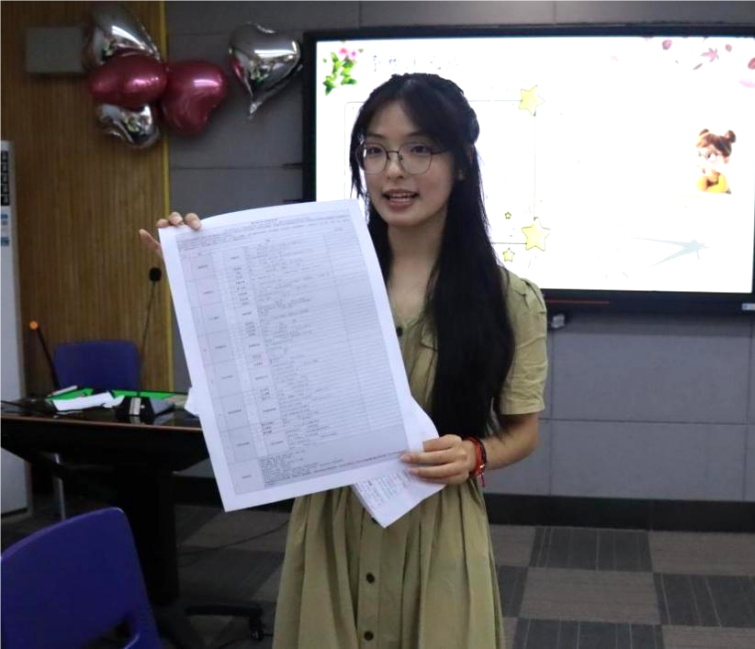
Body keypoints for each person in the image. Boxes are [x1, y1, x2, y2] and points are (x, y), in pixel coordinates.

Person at [140, 72, 548, 649]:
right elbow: (250, 372)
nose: (392, 171)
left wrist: (474, 454)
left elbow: (522, 432)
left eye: (419, 149)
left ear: (461, 163)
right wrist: (195, 265)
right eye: (375, 151)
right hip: (332, 522)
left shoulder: (509, 300)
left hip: (436, 525)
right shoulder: (311, 276)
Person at [696, 128, 736, 194]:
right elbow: (700, 187)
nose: (702, 159)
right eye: (700, 154)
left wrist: (707, 190)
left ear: (726, 159)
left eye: (709, 155)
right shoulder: (706, 174)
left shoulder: (722, 176)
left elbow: (721, 187)